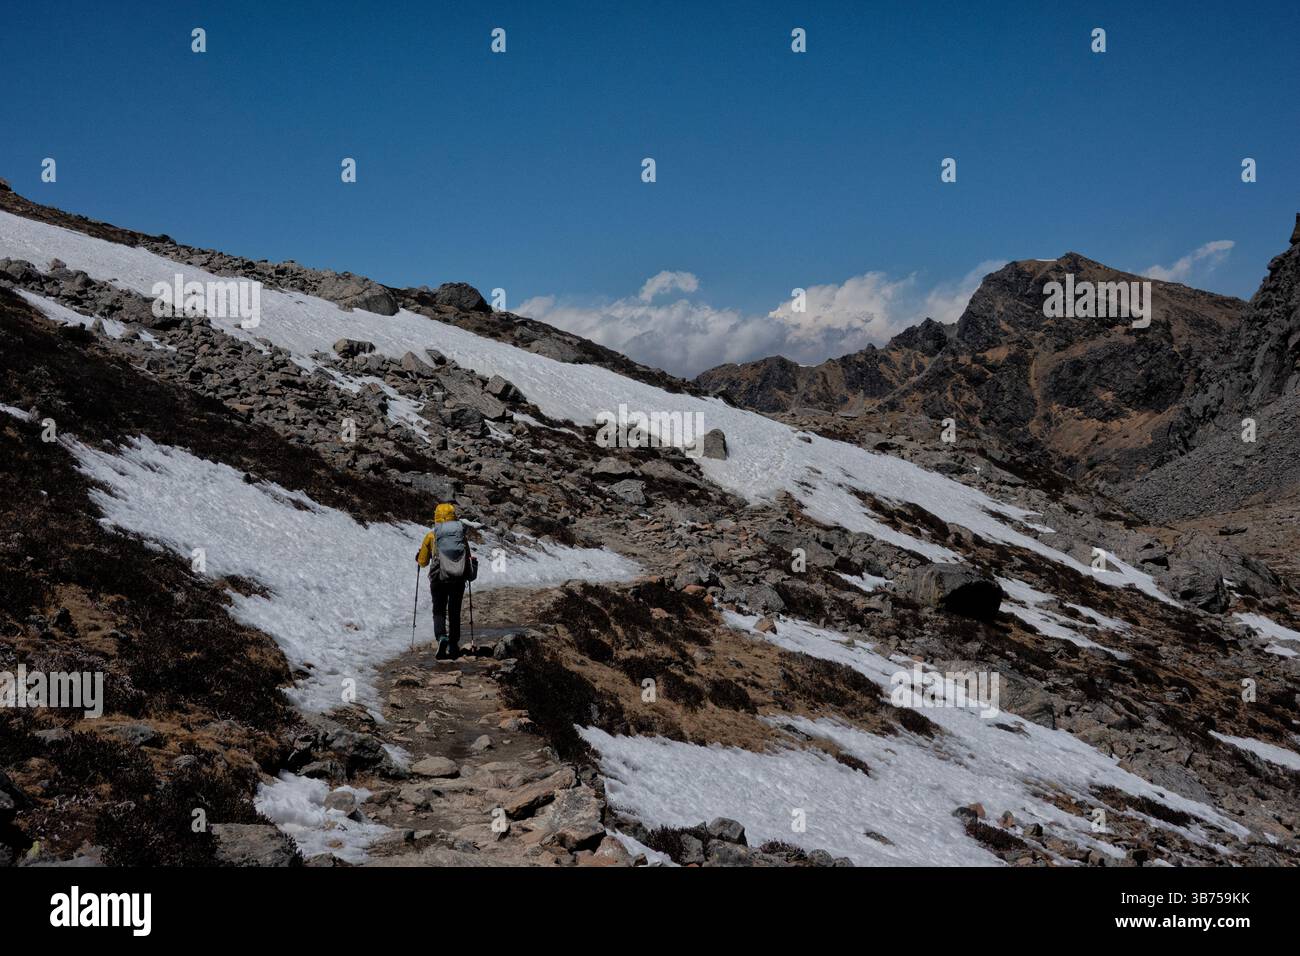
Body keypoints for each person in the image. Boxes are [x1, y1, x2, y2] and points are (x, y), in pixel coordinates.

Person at [415, 503, 475, 659]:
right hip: (458, 578)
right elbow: (467, 555)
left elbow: (423, 562)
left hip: (438, 578)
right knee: (454, 611)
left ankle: (442, 637)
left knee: (439, 610)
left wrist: (419, 556)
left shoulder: (432, 535)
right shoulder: (460, 534)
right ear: (453, 515)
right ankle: (454, 644)